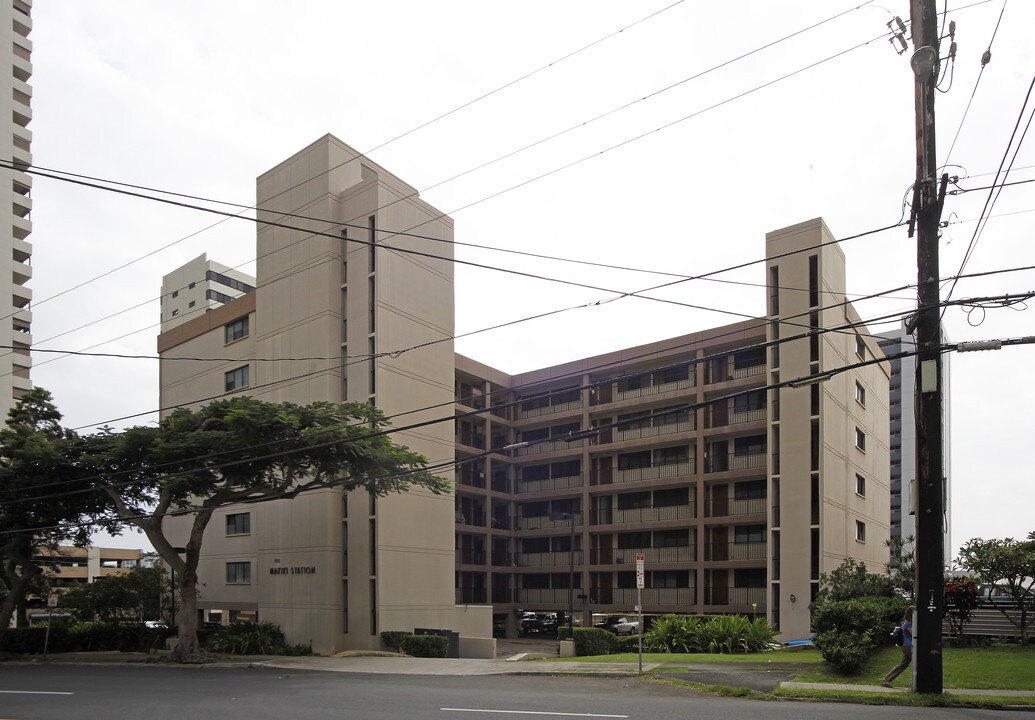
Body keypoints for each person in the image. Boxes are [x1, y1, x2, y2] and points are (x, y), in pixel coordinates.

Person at [882, 605, 914, 687]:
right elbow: (914, 634)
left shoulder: (909, 623)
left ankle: (887, 679)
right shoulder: (908, 623)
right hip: (908, 646)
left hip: (906, 645)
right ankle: (920, 683)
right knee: (919, 663)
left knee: (904, 664)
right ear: (912, 614)